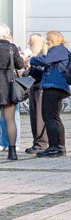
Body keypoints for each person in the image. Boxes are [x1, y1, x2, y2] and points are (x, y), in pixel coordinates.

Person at [29, 31, 71, 158]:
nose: (47, 42)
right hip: (53, 86)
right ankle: (57, 147)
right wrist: (31, 70)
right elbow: (45, 74)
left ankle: (56, 147)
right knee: (52, 117)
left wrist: (31, 60)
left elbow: (45, 60)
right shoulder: (57, 52)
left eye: (48, 39)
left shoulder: (59, 49)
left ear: (54, 39)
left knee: (50, 117)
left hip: (54, 88)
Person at [0, 25, 25, 160]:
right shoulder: (12, 47)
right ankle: (12, 152)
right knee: (10, 121)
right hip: (8, 85)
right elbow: (19, 65)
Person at [24, 34, 49, 154]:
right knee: (34, 116)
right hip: (34, 88)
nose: (28, 43)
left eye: (30, 41)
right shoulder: (36, 56)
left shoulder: (42, 56)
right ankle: (36, 142)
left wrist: (29, 68)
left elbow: (41, 74)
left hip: (40, 88)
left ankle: (41, 143)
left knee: (39, 116)